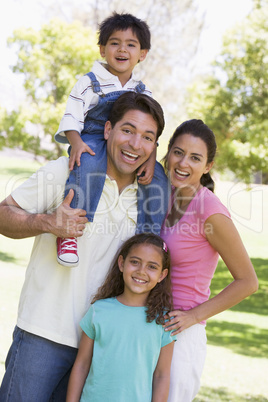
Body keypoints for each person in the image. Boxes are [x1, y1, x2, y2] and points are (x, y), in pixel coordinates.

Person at [0, 92, 169, 402]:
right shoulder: (66, 171)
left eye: (147, 137)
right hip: (43, 334)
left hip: (102, 347)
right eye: (128, 130)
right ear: (108, 130)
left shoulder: (148, 199)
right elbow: (3, 214)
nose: (135, 144)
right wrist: (46, 223)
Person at [54, 12, 166, 267]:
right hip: (92, 137)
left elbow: (152, 128)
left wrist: (151, 158)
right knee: (89, 163)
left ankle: (149, 239)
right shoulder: (89, 83)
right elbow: (71, 116)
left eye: (131, 44)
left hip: (130, 145)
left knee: (158, 177)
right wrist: (76, 142)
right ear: (103, 50)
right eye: (114, 43)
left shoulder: (142, 90)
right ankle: (70, 232)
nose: (122, 49)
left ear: (143, 54)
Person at [160, 119, 259, 402]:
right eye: (178, 152)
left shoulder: (210, 211)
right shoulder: (166, 196)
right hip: (151, 327)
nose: (183, 163)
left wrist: (194, 316)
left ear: (208, 166)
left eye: (195, 157)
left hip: (182, 336)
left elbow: (248, 282)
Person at [66, 233, 176, 402]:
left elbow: (162, 375)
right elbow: (81, 365)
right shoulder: (98, 311)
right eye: (135, 262)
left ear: (162, 275)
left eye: (152, 267)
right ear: (121, 263)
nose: (141, 271)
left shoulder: (163, 321)